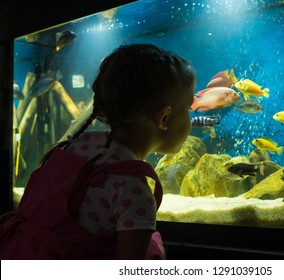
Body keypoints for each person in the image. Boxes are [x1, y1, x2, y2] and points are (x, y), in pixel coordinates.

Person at [0, 44, 196, 259]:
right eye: (188, 108)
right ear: (164, 118)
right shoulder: (133, 190)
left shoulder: (74, 148)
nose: (190, 118)